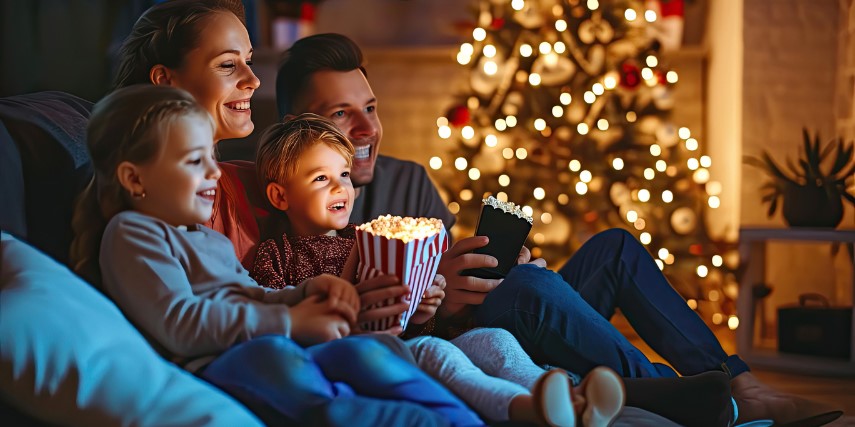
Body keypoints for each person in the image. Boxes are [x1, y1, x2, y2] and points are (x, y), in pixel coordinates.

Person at [273, 32, 845, 426]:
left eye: (370, 107)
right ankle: (697, 400)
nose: (366, 128)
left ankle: (734, 382)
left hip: (489, 313)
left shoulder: (408, 178)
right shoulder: (294, 202)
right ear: (296, 127)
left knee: (611, 249)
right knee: (526, 295)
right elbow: (381, 331)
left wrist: (497, 266)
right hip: (464, 349)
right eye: (339, 114)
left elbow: (462, 268)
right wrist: (436, 298)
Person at [72, 1, 469, 425]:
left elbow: (253, 288)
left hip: (293, 338)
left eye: (248, 60)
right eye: (228, 64)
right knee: (292, 362)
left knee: (378, 355)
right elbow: (192, 317)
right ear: (165, 82)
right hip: (243, 357)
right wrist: (295, 317)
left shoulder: (234, 198)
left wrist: (316, 293)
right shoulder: (147, 222)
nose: (254, 78)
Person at [249, 112, 628, 426]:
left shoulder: (371, 237)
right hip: (369, 354)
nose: (341, 188)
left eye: (344, 175)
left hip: (414, 338)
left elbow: (414, 315)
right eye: (321, 178)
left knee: (495, 341)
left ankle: (568, 398)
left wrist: (425, 304)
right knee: (440, 356)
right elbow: (283, 323)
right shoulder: (276, 256)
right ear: (280, 195)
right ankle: (531, 410)